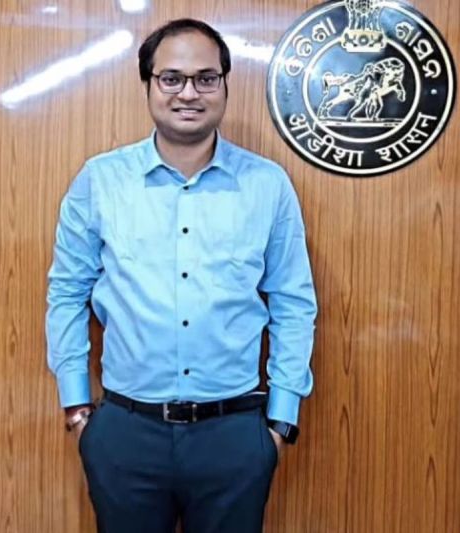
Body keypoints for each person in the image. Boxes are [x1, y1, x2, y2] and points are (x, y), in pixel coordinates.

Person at [46, 18, 318, 533]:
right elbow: (66, 292)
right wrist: (78, 409)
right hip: (125, 433)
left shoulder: (267, 185)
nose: (188, 93)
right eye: (171, 78)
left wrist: (280, 422)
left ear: (225, 85)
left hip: (234, 435)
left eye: (205, 78)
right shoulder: (101, 181)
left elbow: (293, 303)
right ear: (148, 84)